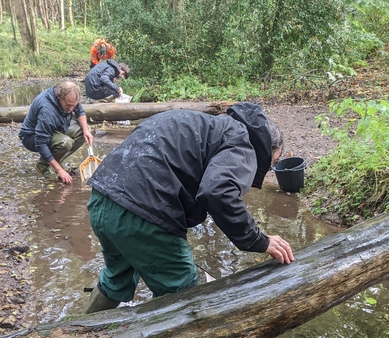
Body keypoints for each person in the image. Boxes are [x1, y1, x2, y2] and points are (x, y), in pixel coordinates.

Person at [84, 103, 294, 315]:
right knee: (181, 292)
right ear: (266, 149)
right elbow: (217, 192)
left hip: (102, 197)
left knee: (116, 278)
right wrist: (259, 240)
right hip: (140, 211)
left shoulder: (212, 126)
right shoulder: (244, 142)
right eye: (271, 163)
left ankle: (79, 336)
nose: (265, 170)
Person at [19, 81, 94, 184]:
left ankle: (54, 160)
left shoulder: (70, 97)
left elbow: (80, 111)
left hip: (56, 128)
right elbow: (40, 143)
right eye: (68, 105)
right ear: (59, 97)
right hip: (32, 137)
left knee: (84, 131)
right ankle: (43, 166)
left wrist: (86, 131)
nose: (71, 109)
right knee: (65, 143)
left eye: (74, 105)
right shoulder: (47, 110)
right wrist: (60, 170)